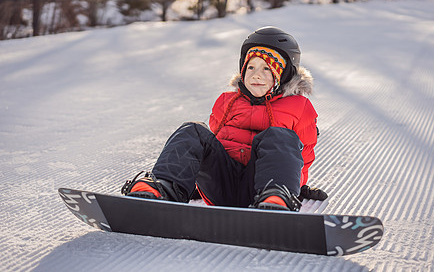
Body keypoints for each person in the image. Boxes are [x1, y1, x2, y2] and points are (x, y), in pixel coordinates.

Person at [121, 26, 327, 211]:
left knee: (280, 136)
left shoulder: (300, 106)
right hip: (222, 186)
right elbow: (213, 149)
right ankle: (164, 187)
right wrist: (192, 183)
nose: (256, 75)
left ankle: (277, 196)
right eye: (251, 67)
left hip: (263, 188)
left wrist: (295, 186)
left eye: (267, 68)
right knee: (193, 130)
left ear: (283, 74)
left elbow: (303, 155)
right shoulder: (226, 101)